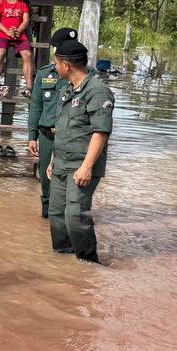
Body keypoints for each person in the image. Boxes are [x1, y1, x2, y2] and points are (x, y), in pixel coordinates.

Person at [46, 37, 115, 263]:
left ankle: (88, 263)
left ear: (66, 65)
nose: (55, 67)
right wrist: (53, 160)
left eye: (57, 63)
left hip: (81, 165)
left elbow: (101, 132)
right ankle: (64, 263)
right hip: (61, 163)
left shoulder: (97, 91)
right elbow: (62, 128)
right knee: (57, 214)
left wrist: (87, 167)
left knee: (75, 215)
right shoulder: (67, 90)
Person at [26, 27, 81, 218]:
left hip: (72, 138)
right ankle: (47, 220)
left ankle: (68, 217)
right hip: (47, 135)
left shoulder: (85, 76)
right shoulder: (45, 74)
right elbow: (36, 106)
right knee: (46, 179)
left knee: (71, 179)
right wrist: (32, 136)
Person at [0, 0, 34, 98]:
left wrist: (18, 30)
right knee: (0, 53)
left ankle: (29, 87)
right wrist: (7, 31)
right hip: (3, 34)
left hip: (19, 35)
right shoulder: (0, 1)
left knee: (27, 55)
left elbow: (26, 20)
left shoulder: (23, 2)